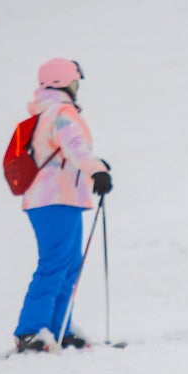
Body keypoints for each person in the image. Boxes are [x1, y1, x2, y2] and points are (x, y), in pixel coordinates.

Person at [13, 58, 113, 352]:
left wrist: (96, 167)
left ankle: (58, 327)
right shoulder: (60, 112)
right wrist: (96, 170)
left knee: (68, 265)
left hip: (59, 197)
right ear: (62, 82)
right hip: (53, 198)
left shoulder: (48, 112)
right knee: (55, 264)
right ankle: (31, 331)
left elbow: (63, 154)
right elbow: (76, 147)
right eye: (74, 81)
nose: (77, 86)